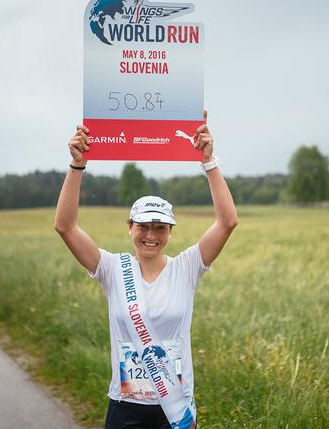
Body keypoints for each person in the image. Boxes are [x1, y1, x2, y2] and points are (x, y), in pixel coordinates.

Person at [54, 112, 238, 429]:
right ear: (129, 227)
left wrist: (208, 161)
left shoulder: (187, 267)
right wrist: (77, 165)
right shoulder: (112, 268)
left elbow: (227, 222)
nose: (151, 235)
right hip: (126, 408)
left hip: (176, 407)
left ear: (170, 232)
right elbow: (65, 227)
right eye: (143, 226)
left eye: (160, 228)